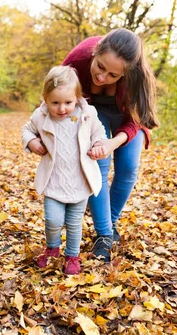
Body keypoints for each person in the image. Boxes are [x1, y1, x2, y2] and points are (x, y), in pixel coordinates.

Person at [62, 28, 159, 262]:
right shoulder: (76, 62)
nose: (103, 77)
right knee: (99, 165)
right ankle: (104, 235)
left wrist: (113, 143)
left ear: (126, 73)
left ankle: (110, 221)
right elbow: (55, 92)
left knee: (128, 168)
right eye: (100, 66)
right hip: (95, 113)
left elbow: (136, 119)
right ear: (95, 52)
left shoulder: (137, 77)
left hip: (128, 118)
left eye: (113, 75)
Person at [22, 65, 107, 275]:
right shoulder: (41, 116)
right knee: (53, 219)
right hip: (54, 180)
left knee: (74, 222)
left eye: (68, 102)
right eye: (55, 103)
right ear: (45, 99)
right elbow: (27, 130)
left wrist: (98, 144)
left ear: (77, 97)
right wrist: (32, 141)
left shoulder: (87, 114)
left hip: (79, 180)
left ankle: (72, 256)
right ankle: (52, 248)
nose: (62, 109)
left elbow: (99, 133)